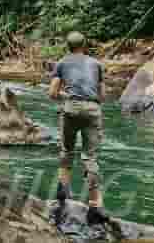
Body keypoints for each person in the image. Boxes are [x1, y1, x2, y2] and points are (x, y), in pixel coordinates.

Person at [48, 31, 110, 225]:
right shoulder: (96, 64)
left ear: (68, 46)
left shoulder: (61, 63)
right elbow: (103, 96)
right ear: (84, 45)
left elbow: (52, 93)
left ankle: (63, 189)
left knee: (67, 149)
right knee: (90, 157)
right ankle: (95, 206)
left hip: (70, 109)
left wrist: (68, 96)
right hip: (92, 111)